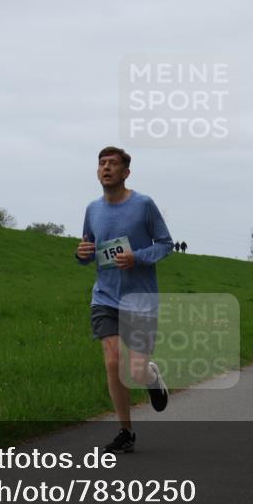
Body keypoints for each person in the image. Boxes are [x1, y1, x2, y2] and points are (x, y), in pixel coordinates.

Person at [75, 147, 174, 454]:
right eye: (102, 163)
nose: (106, 168)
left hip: (141, 299)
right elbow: (88, 249)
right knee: (113, 361)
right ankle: (125, 432)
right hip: (105, 297)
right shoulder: (92, 209)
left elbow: (166, 245)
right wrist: (80, 255)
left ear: (126, 172)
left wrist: (138, 258)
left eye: (113, 164)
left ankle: (152, 378)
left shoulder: (143, 205)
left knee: (137, 370)